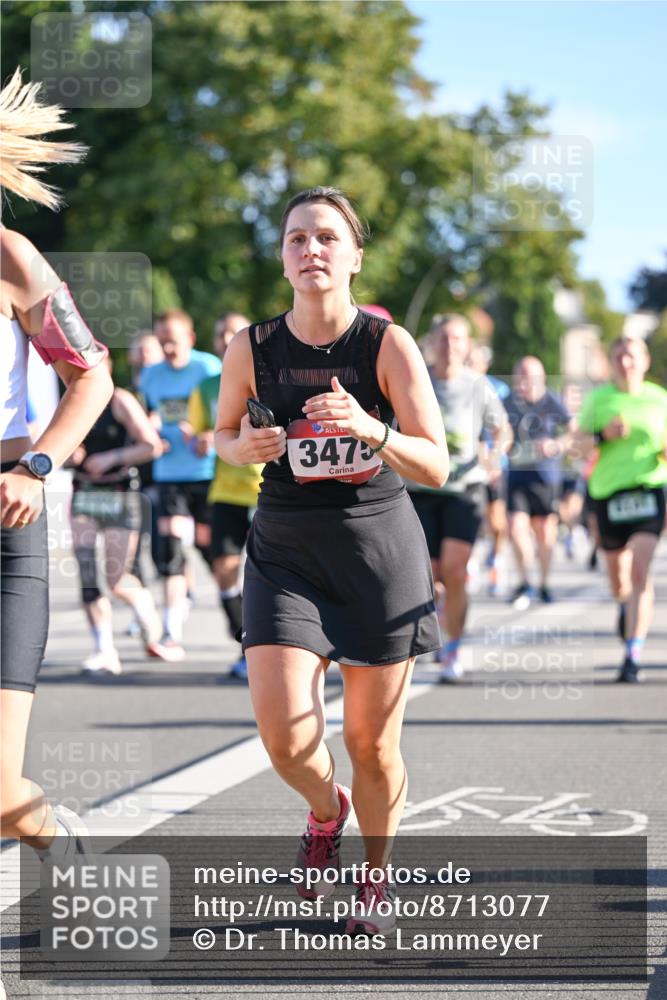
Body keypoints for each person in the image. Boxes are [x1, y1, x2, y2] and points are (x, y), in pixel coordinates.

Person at [214, 186, 447, 934]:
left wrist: (370, 429)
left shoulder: (387, 345)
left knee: (369, 743)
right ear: (282, 258)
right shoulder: (249, 347)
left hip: (377, 550)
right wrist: (240, 447)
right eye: (295, 239)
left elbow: (436, 464)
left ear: (354, 257)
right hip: (285, 548)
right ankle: (325, 811)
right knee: (285, 737)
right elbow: (220, 434)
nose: (309, 250)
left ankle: (375, 879)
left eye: (324, 238)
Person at [0, 69, 113, 878]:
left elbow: (94, 375)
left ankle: (60, 844)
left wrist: (38, 466)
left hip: (7, 523)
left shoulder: (11, 259)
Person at [408, 316, 507, 682]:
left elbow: (501, 427)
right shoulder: (417, 380)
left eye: (458, 338)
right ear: (433, 342)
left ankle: (452, 648)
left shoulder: (478, 385)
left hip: (466, 488)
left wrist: (493, 451)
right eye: (444, 337)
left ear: (467, 346)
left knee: (454, 569)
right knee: (429, 576)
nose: (450, 344)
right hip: (421, 489)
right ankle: (438, 622)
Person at [68, 358, 178, 675]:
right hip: (84, 493)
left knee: (116, 579)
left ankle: (150, 620)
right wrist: (66, 456)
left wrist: (110, 458)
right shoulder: (69, 402)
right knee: (87, 572)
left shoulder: (119, 400)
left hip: (118, 493)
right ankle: (103, 649)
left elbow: (151, 446)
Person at [576, 335, 667, 682]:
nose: (625, 362)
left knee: (641, 571)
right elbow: (576, 447)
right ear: (612, 362)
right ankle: (624, 605)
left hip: (649, 490)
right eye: (619, 356)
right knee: (619, 580)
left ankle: (633, 652)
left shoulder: (659, 399)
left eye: (631, 356)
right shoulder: (599, 399)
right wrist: (603, 436)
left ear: (644, 361)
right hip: (608, 495)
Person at [184, 311, 263, 680]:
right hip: (226, 491)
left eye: (235, 331)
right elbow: (201, 431)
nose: (227, 337)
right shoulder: (205, 386)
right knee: (224, 571)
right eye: (221, 333)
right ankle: (247, 647)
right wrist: (198, 440)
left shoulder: (269, 376)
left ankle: (279, 649)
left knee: (272, 576)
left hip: (268, 491)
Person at [139, 309, 221, 657]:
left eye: (173, 341)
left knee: (211, 552)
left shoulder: (209, 368)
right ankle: (170, 632)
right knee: (169, 549)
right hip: (169, 473)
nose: (168, 348)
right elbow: (145, 417)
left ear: (190, 339)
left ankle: (241, 618)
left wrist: (208, 435)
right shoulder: (150, 377)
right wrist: (150, 428)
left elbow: (229, 415)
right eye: (162, 342)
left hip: (206, 474)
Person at [503, 357, 574, 609]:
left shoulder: (552, 400)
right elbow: (497, 432)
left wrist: (556, 445)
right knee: (515, 528)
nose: (524, 380)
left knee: (545, 533)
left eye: (530, 374)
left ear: (541, 377)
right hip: (517, 476)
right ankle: (525, 581)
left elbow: (572, 431)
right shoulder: (508, 402)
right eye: (520, 374)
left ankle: (544, 583)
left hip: (546, 477)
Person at [467, 341, 511, 595]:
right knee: (473, 516)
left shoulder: (498, 388)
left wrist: (494, 457)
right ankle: (470, 564)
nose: (472, 366)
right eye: (469, 361)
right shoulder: (459, 387)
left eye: (476, 361)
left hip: (493, 465)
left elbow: (505, 426)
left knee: (496, 521)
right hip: (468, 466)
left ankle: (497, 558)